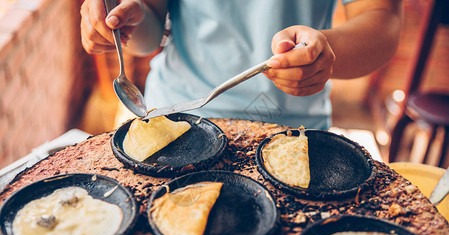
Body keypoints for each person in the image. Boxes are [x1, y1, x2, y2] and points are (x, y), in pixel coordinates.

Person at [81, 0, 402, 130]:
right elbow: (150, 27)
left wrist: (326, 53)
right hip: (177, 121)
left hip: (290, 129)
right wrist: (121, 20)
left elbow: (382, 21)